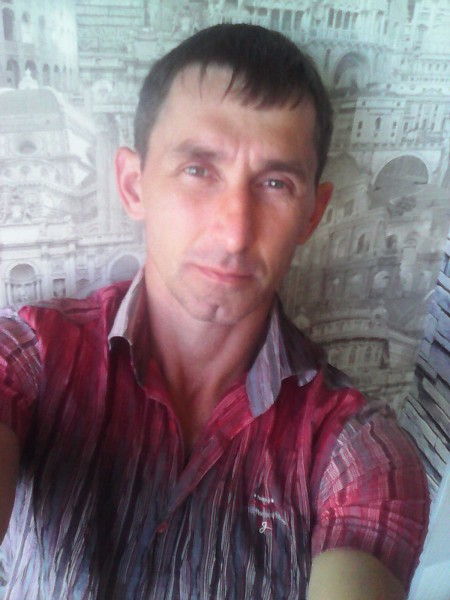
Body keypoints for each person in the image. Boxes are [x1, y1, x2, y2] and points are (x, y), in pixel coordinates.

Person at [0, 24, 429, 600]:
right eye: (198, 170)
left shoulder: (359, 452)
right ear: (133, 185)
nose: (235, 233)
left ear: (312, 214)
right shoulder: (30, 356)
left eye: (274, 183)